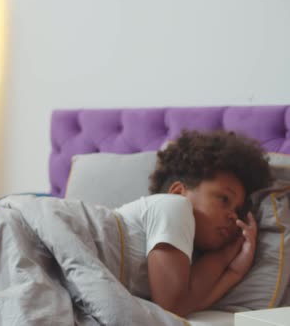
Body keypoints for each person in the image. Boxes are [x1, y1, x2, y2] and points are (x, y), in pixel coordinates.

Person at [115, 130, 272, 316]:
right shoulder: (172, 205)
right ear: (178, 192)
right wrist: (225, 254)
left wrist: (235, 271)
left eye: (238, 211)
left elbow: (181, 307)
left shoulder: (188, 257)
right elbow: (170, 307)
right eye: (224, 199)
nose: (233, 217)